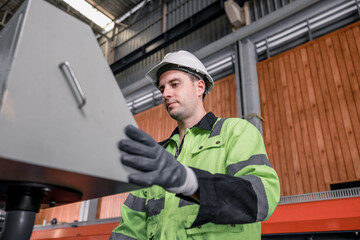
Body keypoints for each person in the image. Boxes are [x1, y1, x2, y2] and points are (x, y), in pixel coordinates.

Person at [110, 50, 280, 240]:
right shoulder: (157, 157)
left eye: (174, 84)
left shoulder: (235, 132)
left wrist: (190, 182)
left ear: (199, 87)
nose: (166, 93)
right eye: (162, 88)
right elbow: (129, 230)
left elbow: (262, 197)